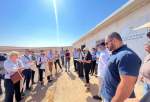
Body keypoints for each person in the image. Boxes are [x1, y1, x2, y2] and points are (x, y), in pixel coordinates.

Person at [101, 32, 141, 102]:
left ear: (114, 40)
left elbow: (126, 86)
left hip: (113, 98)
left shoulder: (127, 56)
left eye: (106, 43)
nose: (105, 46)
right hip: (108, 95)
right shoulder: (116, 52)